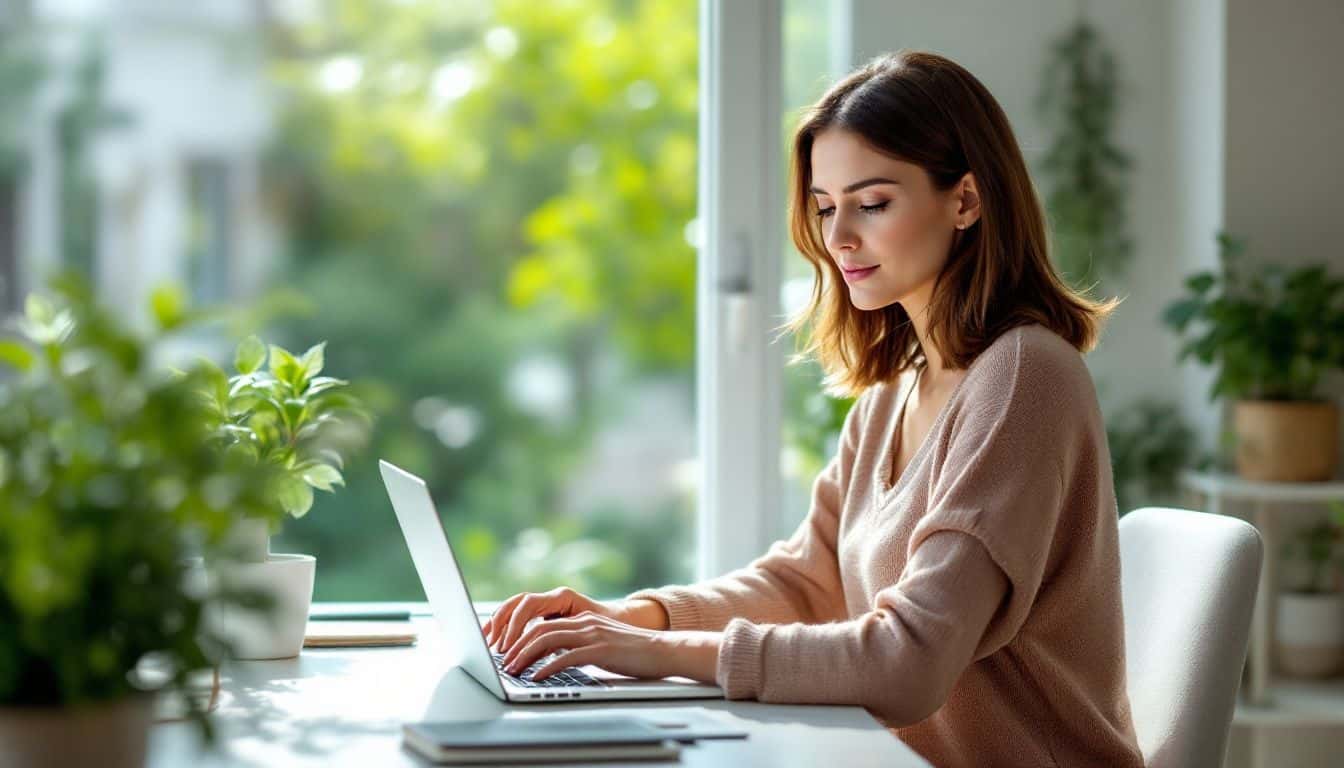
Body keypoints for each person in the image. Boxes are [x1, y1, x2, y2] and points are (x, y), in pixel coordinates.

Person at [481, 50, 1145, 767]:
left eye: (874, 202)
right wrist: (629, 617)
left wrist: (655, 652)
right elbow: (804, 584)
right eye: (826, 208)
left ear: (966, 200)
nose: (839, 238)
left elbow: (908, 664)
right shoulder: (893, 394)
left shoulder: (1024, 377)